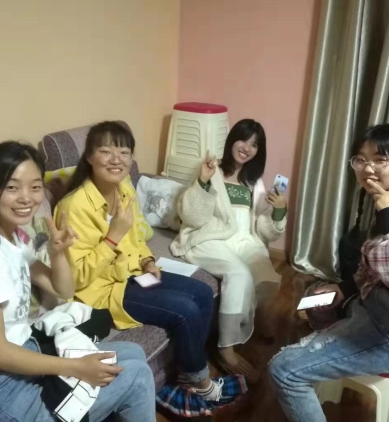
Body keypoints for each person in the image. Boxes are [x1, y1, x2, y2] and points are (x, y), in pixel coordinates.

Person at [0, 141, 156, 422]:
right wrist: (75, 367)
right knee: (135, 376)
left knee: (132, 353)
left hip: (20, 358)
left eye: (35, 186)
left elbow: (63, 289)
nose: (26, 198)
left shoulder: (12, 239)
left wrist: (57, 253)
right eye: (12, 187)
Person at [54, 121, 245, 417]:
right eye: (106, 151)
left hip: (133, 272)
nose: (116, 159)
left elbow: (135, 239)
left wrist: (147, 261)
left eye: (124, 152)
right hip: (102, 291)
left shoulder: (123, 189)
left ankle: (187, 373)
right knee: (184, 309)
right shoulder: (73, 206)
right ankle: (200, 382)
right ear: (89, 157)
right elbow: (77, 277)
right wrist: (112, 237)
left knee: (202, 292)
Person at [269, 125, 389, 422]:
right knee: (315, 298)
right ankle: (329, 353)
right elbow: (374, 267)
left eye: (380, 160)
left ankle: (317, 361)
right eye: (361, 159)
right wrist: (345, 288)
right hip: (376, 305)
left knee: (283, 370)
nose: (368, 169)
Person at [171, 119, 287, 382]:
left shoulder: (253, 182)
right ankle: (226, 348)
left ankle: (248, 321)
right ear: (232, 139)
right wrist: (203, 181)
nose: (247, 148)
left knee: (266, 275)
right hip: (210, 237)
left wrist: (279, 210)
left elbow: (265, 229)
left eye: (254, 145)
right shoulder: (212, 169)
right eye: (243, 140)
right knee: (239, 273)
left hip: (243, 239)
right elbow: (192, 216)